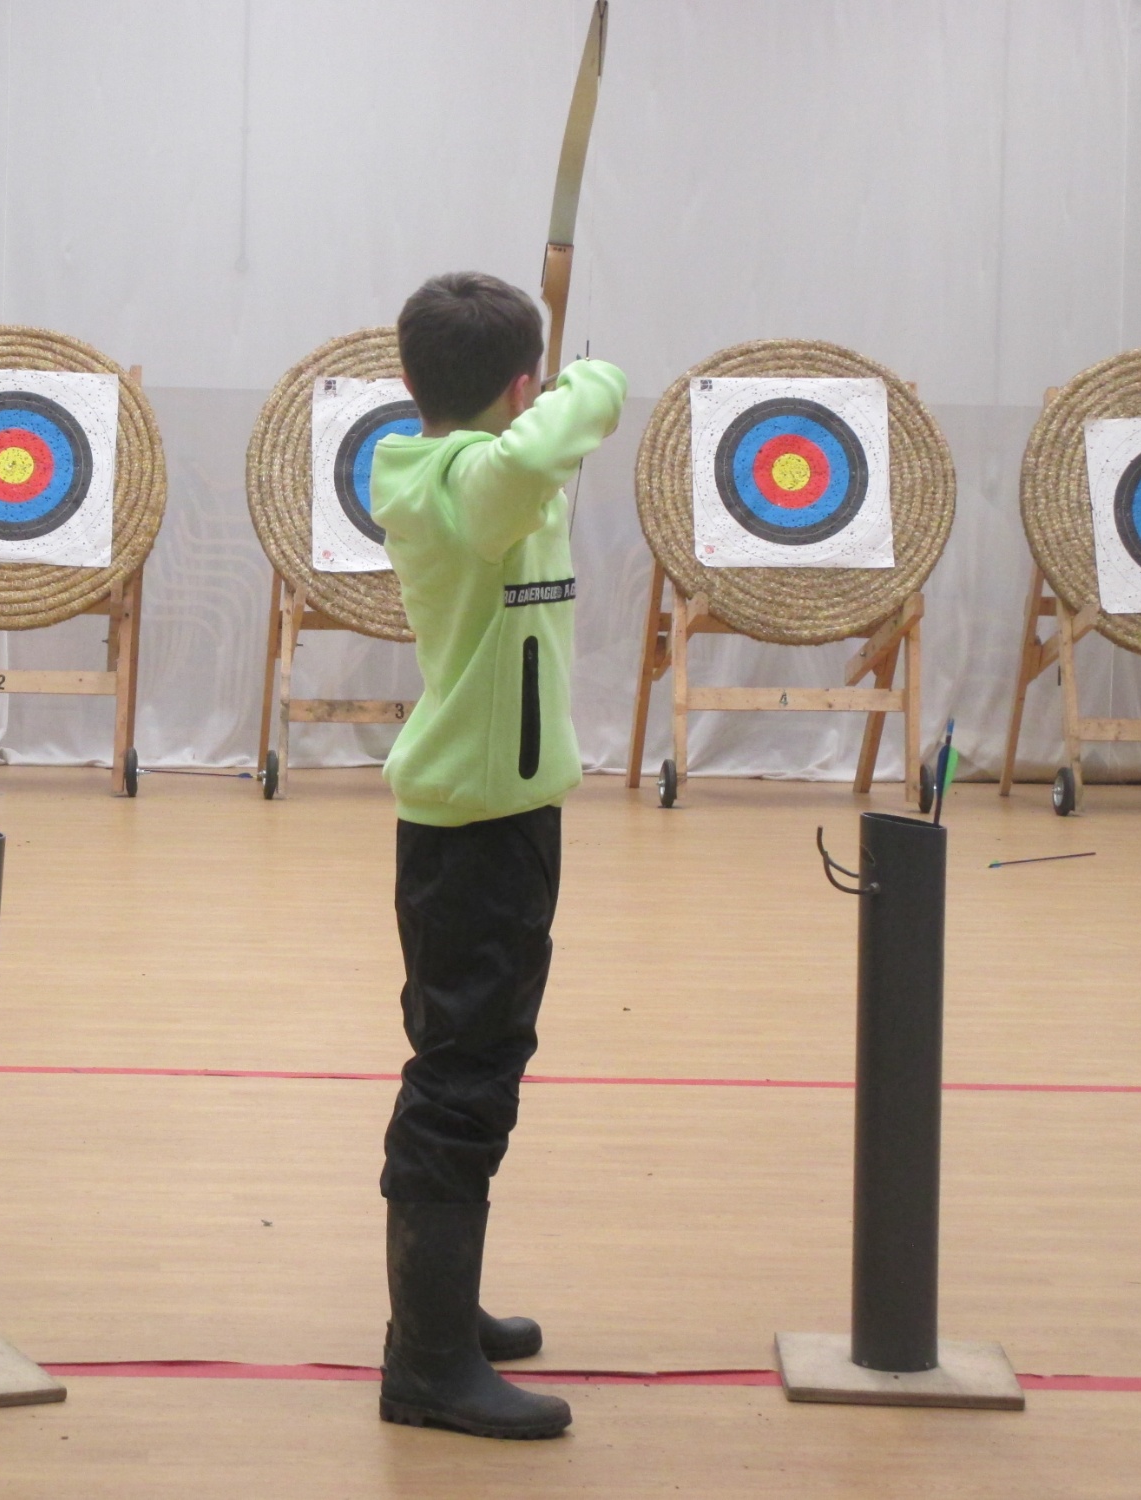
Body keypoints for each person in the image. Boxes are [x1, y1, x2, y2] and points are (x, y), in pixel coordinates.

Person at [368, 271, 626, 1439]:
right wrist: (585, 379)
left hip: (499, 810)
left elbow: (523, 459)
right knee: (461, 1078)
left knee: (477, 1059)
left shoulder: (482, 470)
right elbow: (530, 455)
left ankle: (441, 1309)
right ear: (520, 390)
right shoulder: (454, 479)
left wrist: (527, 389)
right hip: (473, 823)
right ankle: (425, 1364)